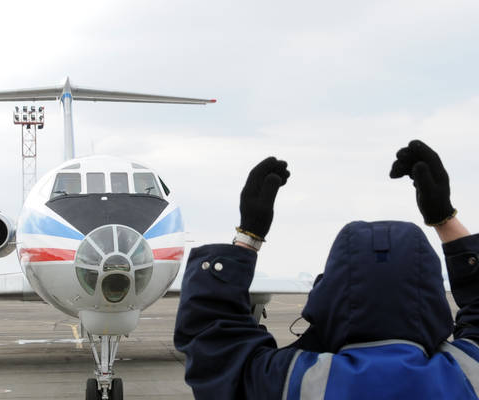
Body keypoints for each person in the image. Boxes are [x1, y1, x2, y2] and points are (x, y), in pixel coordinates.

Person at [174, 140, 479, 399]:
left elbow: (215, 342)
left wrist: (248, 237)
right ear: (430, 296)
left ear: (330, 296)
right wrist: (444, 218)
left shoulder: (293, 381)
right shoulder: (468, 375)